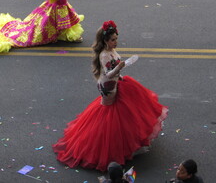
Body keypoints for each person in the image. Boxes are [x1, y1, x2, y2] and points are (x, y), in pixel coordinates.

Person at [52, 20, 168, 171]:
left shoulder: (111, 51)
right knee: (110, 114)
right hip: (108, 87)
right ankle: (107, 146)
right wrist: (120, 67)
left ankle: (128, 141)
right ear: (105, 41)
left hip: (116, 82)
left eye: (116, 39)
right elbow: (108, 73)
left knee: (124, 111)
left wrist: (121, 68)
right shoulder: (104, 55)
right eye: (113, 39)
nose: (115, 42)